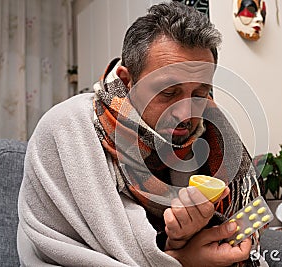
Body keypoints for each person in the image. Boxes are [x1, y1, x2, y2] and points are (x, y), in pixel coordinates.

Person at [17, 2, 264, 266]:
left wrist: (183, 239)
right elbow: (68, 247)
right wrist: (181, 260)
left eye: (200, 93)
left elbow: (250, 220)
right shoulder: (67, 128)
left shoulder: (215, 130)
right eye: (168, 92)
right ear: (126, 81)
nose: (186, 112)